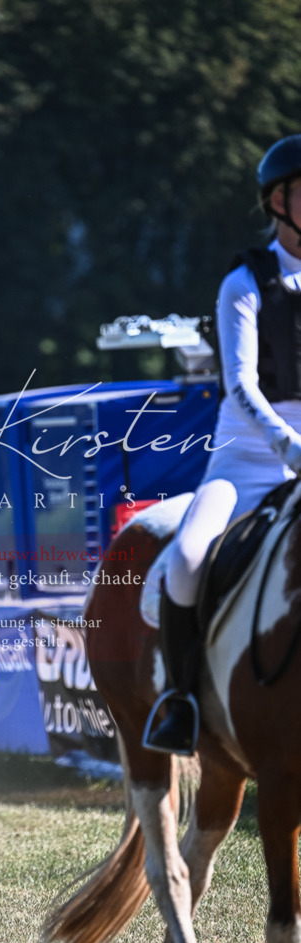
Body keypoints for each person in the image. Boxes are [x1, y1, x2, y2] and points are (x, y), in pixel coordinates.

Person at [144, 134, 301, 756]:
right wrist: (288, 445)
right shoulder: (245, 281)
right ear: (278, 201)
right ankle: (180, 701)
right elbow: (239, 384)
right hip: (248, 459)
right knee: (184, 561)